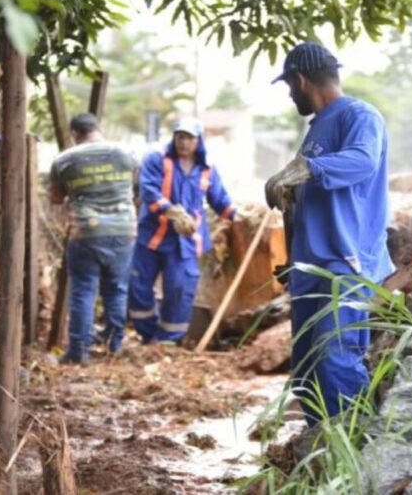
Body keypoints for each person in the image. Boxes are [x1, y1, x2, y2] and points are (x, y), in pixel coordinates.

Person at [265, 42, 393, 425]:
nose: (290, 95)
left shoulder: (359, 115)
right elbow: (307, 203)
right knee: (307, 372)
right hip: (311, 269)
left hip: (345, 264)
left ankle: (354, 458)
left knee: (336, 359)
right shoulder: (316, 129)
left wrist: (303, 169)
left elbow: (362, 162)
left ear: (300, 80)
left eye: (289, 86)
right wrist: (292, 259)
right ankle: (322, 457)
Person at [129, 117, 237, 345]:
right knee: (137, 285)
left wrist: (240, 216)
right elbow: (148, 190)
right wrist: (172, 212)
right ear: (174, 138)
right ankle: (147, 334)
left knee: (179, 289)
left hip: (186, 242)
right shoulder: (157, 160)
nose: (184, 142)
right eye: (180, 137)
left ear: (198, 141)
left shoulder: (207, 170)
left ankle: (169, 339)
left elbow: (220, 200)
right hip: (153, 236)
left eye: (189, 138)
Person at [48, 113, 136, 364]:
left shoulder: (65, 160)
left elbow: (55, 198)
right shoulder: (125, 154)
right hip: (123, 230)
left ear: (74, 134)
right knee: (117, 289)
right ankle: (114, 346)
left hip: (87, 232)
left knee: (83, 292)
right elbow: (136, 189)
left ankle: (78, 350)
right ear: (98, 128)